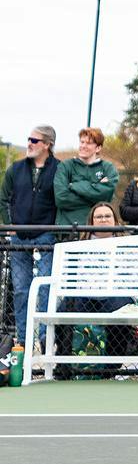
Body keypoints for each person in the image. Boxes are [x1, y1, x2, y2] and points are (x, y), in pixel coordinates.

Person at [5, 125, 60, 340]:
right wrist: (9, 225)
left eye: (34, 140)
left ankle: (45, 337)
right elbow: (3, 199)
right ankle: (24, 339)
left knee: (45, 287)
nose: (29, 143)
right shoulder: (16, 169)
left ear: (47, 144)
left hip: (46, 234)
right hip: (19, 235)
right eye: (28, 139)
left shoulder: (59, 169)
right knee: (21, 289)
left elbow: (63, 200)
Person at [55, 127, 119, 230]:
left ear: (98, 148)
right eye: (82, 142)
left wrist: (74, 186)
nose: (83, 146)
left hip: (97, 231)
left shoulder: (108, 168)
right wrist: (96, 196)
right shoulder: (65, 166)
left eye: (88, 143)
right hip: (68, 229)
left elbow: (108, 196)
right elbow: (61, 199)